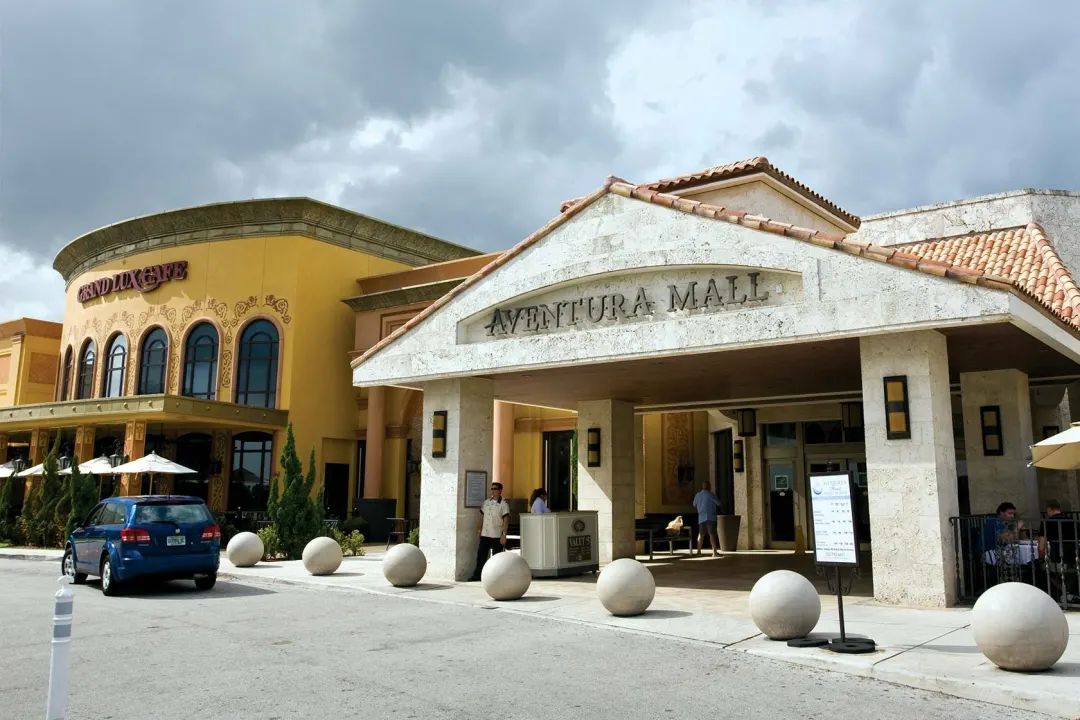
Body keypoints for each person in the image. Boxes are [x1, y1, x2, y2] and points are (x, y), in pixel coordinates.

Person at [1038, 500, 1078, 602]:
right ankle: (1068, 594)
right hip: (1074, 561)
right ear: (1060, 510)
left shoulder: (1047, 523)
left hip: (1056, 561)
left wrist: (1040, 558)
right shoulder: (1073, 521)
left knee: (1042, 568)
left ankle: (1065, 593)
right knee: (1072, 572)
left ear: (1050, 510)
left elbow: (1041, 548)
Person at [470, 481, 510, 581]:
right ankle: (477, 575)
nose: (493, 491)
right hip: (485, 534)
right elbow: (481, 516)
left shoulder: (503, 504)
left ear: (500, 491)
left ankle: (496, 578)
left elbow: (506, 520)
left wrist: (504, 534)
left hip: (497, 535)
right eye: (492, 489)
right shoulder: (487, 502)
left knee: (497, 558)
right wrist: (479, 530)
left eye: (495, 489)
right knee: (481, 555)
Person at [693, 481, 721, 557]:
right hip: (711, 517)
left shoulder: (697, 495)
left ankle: (698, 552)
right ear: (709, 486)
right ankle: (714, 552)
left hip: (701, 517)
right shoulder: (711, 494)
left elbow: (694, 505)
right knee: (712, 534)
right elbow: (719, 503)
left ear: (702, 486)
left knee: (701, 534)